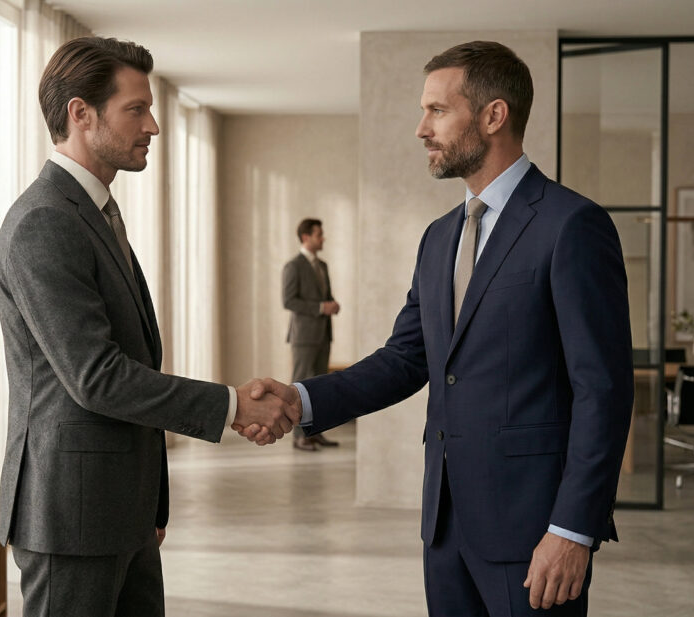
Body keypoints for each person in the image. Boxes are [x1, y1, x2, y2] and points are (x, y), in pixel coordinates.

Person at [245, 41, 633, 616]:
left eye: (437, 110)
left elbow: (603, 390)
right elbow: (405, 359)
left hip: (535, 531)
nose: (421, 128)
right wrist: (300, 400)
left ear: (493, 115)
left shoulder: (572, 224)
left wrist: (573, 529)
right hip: (445, 528)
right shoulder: (439, 237)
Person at [0, 36, 295, 617]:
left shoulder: (93, 212)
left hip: (120, 511)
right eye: (136, 109)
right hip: (73, 518)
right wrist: (233, 405)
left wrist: (148, 505)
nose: (153, 126)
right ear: (81, 113)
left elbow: (131, 361)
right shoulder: (44, 222)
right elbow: (97, 378)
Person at [283, 218, 340, 451]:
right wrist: (320, 308)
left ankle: (315, 432)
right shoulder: (293, 266)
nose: (323, 238)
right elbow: (288, 301)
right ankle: (299, 436)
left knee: (319, 386)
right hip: (304, 337)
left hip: (323, 334)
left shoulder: (322, 266)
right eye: (319, 234)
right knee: (300, 387)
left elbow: (325, 296)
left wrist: (331, 305)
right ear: (306, 237)